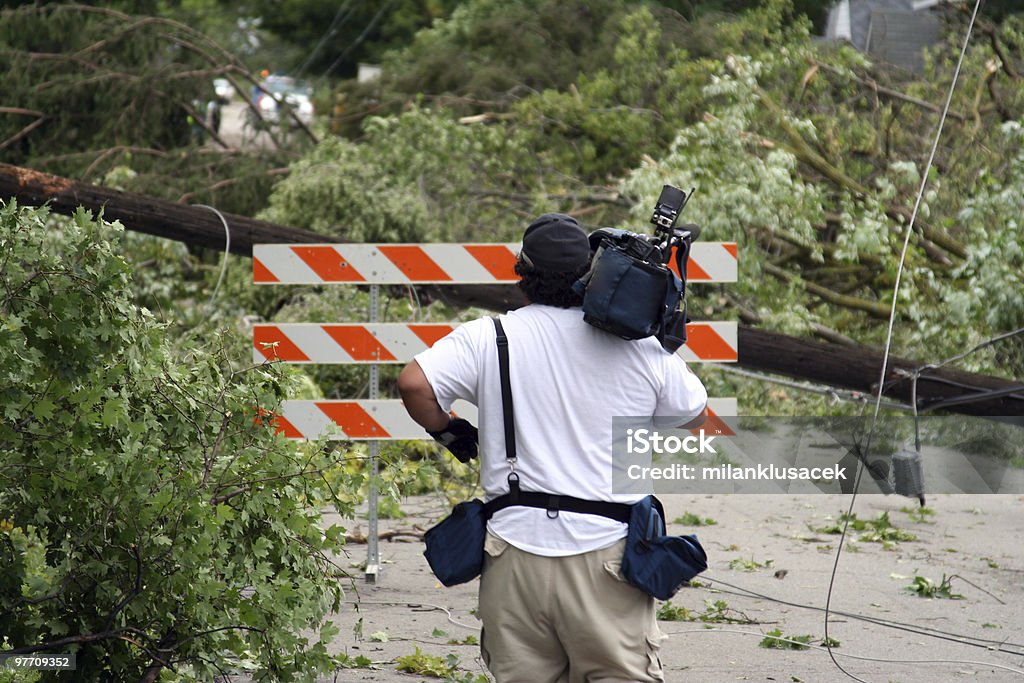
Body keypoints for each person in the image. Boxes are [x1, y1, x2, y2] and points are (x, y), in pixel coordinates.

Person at [398, 213, 708, 683]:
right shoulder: (639, 345)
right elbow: (693, 412)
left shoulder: (489, 337)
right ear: (593, 273)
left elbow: (413, 384)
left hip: (511, 552)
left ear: (521, 273)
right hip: (608, 555)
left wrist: (450, 431)